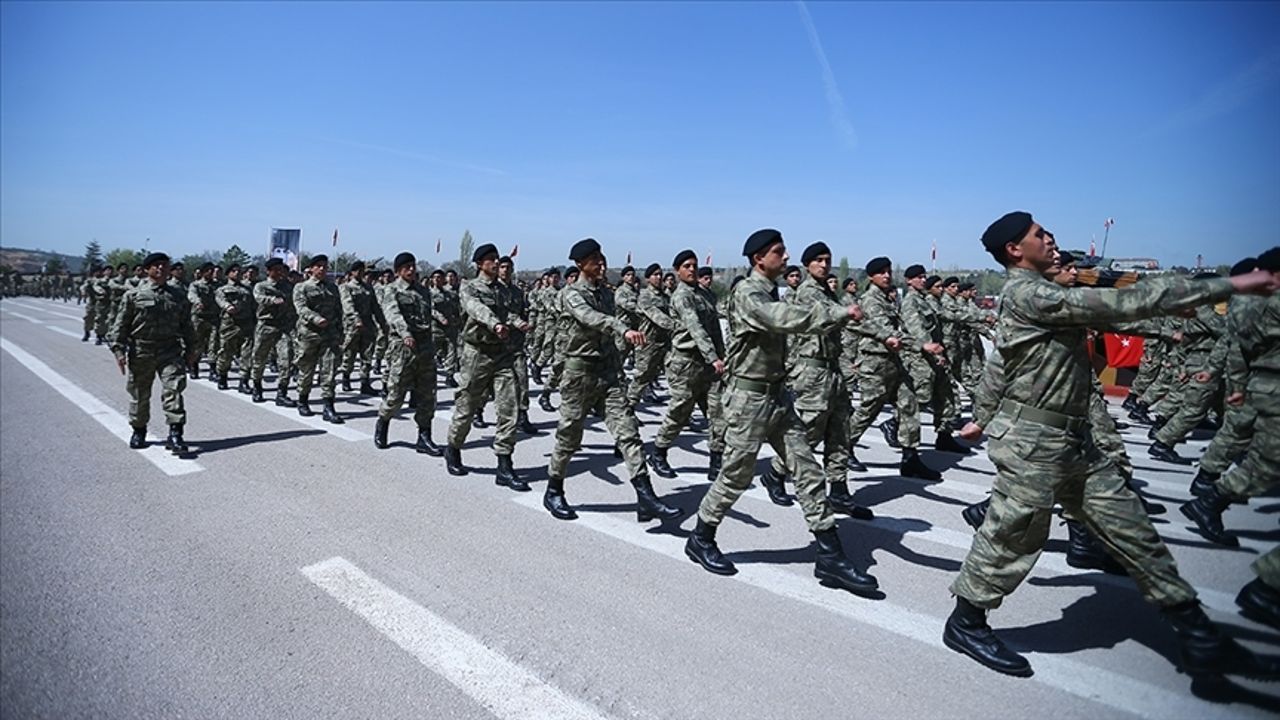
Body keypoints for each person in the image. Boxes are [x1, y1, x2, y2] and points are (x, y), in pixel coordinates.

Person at [944, 211, 1279, 680]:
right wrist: (1232, 284)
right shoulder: (1027, 293)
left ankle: (1199, 634)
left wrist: (1166, 311)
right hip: (1032, 443)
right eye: (1039, 234)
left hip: (1073, 439)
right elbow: (1124, 305)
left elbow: (1120, 308)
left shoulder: (1051, 291)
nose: (1050, 239)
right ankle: (965, 622)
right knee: (1012, 538)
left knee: (1134, 532)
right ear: (1015, 250)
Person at [684, 230, 878, 597]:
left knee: (806, 469)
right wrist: (838, 311)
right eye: (778, 251)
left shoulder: (770, 289)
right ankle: (701, 536)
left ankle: (831, 555)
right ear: (759, 258)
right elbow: (782, 317)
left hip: (778, 397)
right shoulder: (747, 293)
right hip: (748, 400)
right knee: (736, 477)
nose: (786, 256)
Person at [542, 238, 681, 523]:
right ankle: (553, 490)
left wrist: (619, 370)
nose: (602, 263)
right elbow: (590, 318)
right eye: (595, 259)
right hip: (579, 375)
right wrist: (621, 328)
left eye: (602, 257)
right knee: (569, 437)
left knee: (628, 433)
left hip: (607, 374)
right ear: (580, 264)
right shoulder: (571, 294)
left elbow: (607, 333)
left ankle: (646, 497)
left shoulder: (606, 293)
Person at [846, 257, 941, 480]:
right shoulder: (871, 300)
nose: (887, 275)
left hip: (895, 361)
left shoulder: (888, 298)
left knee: (909, 405)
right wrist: (922, 345)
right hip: (875, 362)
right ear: (871, 277)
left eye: (888, 271)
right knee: (868, 410)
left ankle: (910, 458)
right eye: (881, 272)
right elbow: (888, 332)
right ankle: (844, 448)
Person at [443, 245, 528, 489]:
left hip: (501, 355)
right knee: (466, 406)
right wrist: (495, 324)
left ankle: (504, 465)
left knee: (508, 408)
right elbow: (476, 308)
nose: (494, 263)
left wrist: (518, 322)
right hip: (476, 354)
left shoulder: (503, 290)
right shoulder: (469, 287)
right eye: (489, 260)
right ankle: (453, 448)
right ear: (479, 264)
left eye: (495, 259)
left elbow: (509, 313)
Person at [647, 250, 727, 482]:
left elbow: (713, 330)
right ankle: (659, 452)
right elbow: (695, 329)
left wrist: (721, 356)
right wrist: (713, 356)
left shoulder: (705, 294)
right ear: (677, 271)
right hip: (685, 362)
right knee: (680, 411)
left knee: (717, 412)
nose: (692, 269)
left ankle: (716, 461)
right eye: (686, 266)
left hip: (708, 364)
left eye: (694, 265)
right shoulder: (682, 296)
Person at [110, 253, 196, 453]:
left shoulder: (178, 295)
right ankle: (139, 430)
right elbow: (120, 325)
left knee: (173, 390)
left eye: (165, 266)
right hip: (142, 350)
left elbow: (187, 326)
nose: (161, 269)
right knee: (140, 394)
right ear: (147, 269)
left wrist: (192, 349)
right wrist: (118, 351)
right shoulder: (133, 295)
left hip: (170, 349)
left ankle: (175, 434)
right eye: (156, 266)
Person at [292, 255, 344, 423]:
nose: (322, 269)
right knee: (307, 369)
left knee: (329, 371)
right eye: (318, 266)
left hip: (329, 335)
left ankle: (328, 407)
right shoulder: (302, 287)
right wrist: (316, 319)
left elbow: (338, 311)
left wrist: (340, 332)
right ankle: (303, 400)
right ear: (311, 269)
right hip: (309, 334)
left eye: (324, 266)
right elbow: (301, 308)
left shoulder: (333, 288)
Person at [626, 263, 676, 407]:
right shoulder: (644, 296)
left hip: (666, 344)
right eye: (655, 275)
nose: (659, 277)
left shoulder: (666, 297)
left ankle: (682, 415)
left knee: (676, 378)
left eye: (660, 274)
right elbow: (657, 316)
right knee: (641, 379)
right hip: (648, 344)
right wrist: (678, 327)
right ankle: (628, 410)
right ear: (648, 279)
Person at [249, 258, 298, 406]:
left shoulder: (288, 286)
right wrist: (272, 300)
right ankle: (257, 387)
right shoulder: (261, 286)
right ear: (269, 271)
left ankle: (282, 393)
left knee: (286, 360)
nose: (279, 272)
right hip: (266, 326)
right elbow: (259, 298)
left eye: (281, 269)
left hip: (284, 327)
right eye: (276, 269)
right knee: (259, 359)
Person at [339, 261, 383, 396]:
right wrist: (356, 319)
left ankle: (365, 382)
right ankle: (346, 378)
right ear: (352, 272)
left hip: (368, 325)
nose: (360, 273)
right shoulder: (346, 287)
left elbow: (375, 307)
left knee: (367, 354)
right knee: (350, 354)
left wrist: (383, 323)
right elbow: (348, 305)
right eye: (357, 270)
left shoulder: (368, 288)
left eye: (362, 270)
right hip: (352, 326)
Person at [214, 263, 255, 391]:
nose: (237, 273)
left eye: (239, 271)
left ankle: (244, 380)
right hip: (229, 325)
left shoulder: (247, 289)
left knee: (247, 353)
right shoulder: (222, 289)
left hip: (246, 324)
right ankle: (222, 376)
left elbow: (253, 305)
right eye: (233, 271)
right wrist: (228, 307)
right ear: (228, 274)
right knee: (226, 352)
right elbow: (221, 300)